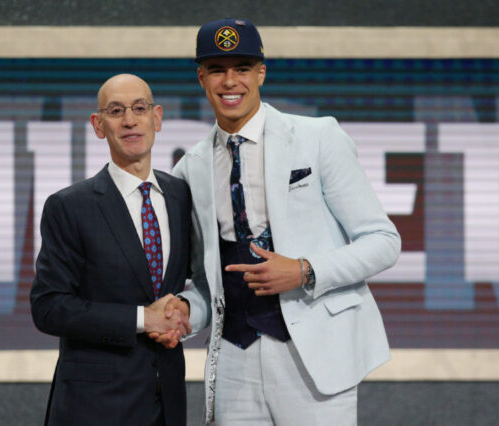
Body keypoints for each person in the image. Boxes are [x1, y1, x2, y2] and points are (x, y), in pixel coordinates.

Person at [154, 18, 401, 425]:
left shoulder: (317, 137)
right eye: (217, 69)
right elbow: (206, 279)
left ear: (261, 73)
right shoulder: (190, 168)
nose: (230, 81)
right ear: (201, 77)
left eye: (242, 69)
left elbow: (382, 240)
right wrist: (185, 312)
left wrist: (305, 270)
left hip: (313, 355)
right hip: (234, 358)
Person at [30, 74, 191, 426]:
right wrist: (142, 319)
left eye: (139, 108)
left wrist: (184, 307)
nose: (130, 120)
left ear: (157, 117)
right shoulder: (70, 206)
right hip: (94, 407)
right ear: (98, 125)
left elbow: (196, 280)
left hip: (168, 405)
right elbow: (49, 307)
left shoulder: (181, 196)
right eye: (116, 111)